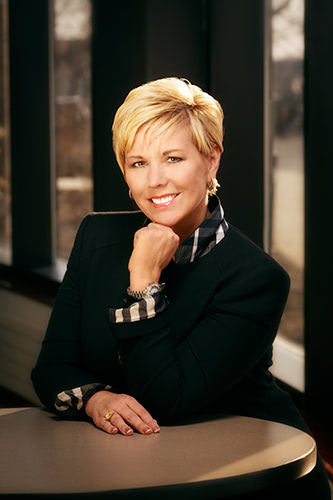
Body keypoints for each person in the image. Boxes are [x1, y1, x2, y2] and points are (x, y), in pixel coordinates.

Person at [31, 77, 330, 498]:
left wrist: (144, 282)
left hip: (249, 479)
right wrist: (95, 400)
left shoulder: (256, 278)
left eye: (173, 158)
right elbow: (51, 369)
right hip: (138, 473)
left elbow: (167, 401)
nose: (155, 181)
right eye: (138, 163)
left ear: (211, 162)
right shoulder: (96, 237)